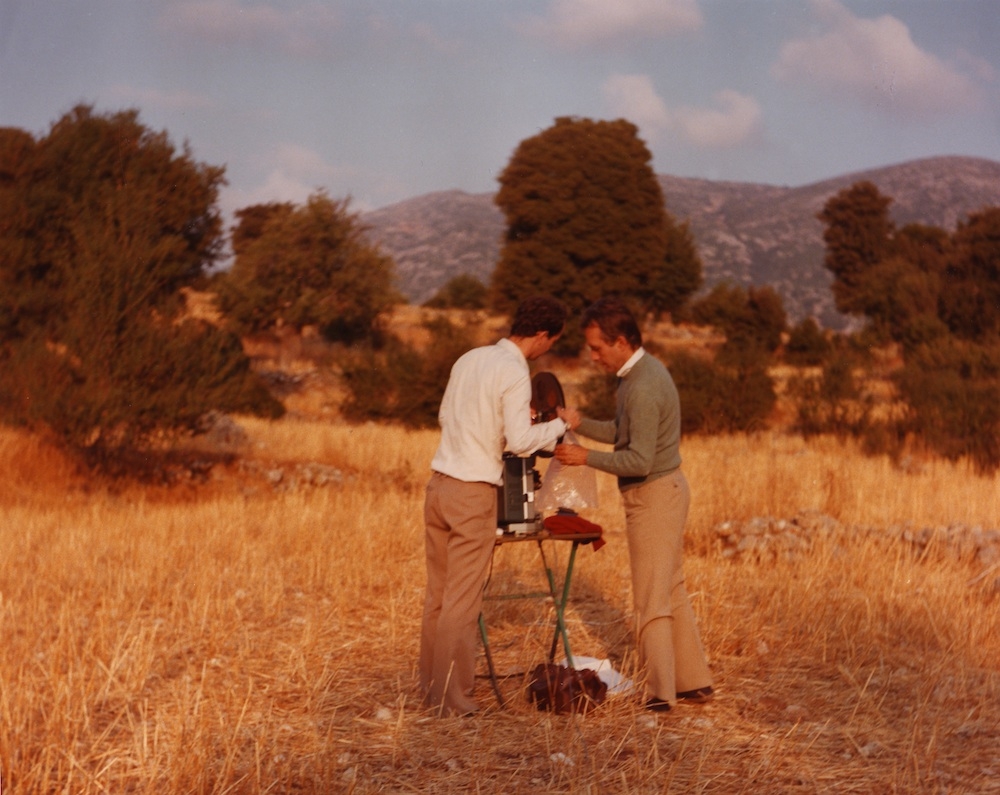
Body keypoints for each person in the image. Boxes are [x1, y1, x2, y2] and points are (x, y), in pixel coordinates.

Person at [420, 295, 580, 717]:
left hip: (438, 486)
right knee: (462, 600)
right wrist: (562, 425)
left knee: (437, 594)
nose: (548, 350)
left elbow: (445, 417)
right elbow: (519, 441)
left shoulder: (470, 358)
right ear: (542, 335)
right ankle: (452, 701)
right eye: (552, 342)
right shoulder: (513, 370)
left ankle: (431, 690)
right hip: (473, 492)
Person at [555, 296, 713, 712]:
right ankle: (694, 682)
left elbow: (638, 460)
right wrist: (580, 424)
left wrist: (583, 456)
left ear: (621, 341)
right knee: (670, 589)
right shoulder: (639, 374)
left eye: (597, 348)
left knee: (651, 597)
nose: (592, 357)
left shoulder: (641, 385)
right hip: (665, 491)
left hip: (654, 496)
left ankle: (661, 694)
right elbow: (624, 432)